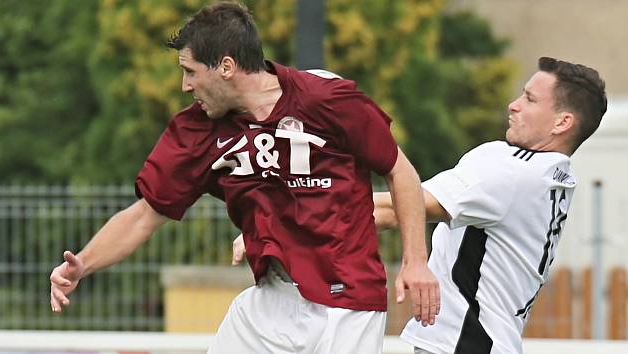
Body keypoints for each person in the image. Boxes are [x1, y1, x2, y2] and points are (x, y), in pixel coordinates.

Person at [49, 2, 439, 353]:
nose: (185, 85)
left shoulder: (327, 101)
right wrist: (83, 263)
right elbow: (143, 216)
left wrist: (415, 261)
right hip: (271, 302)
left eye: (190, 71)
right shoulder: (197, 131)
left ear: (226, 67)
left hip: (346, 306)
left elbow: (398, 169)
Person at [373, 57, 607, 354]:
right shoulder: (555, 177)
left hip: (464, 343)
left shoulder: (513, 169)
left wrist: (308, 202)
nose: (514, 104)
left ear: (562, 122)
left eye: (530, 99)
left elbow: (397, 210)